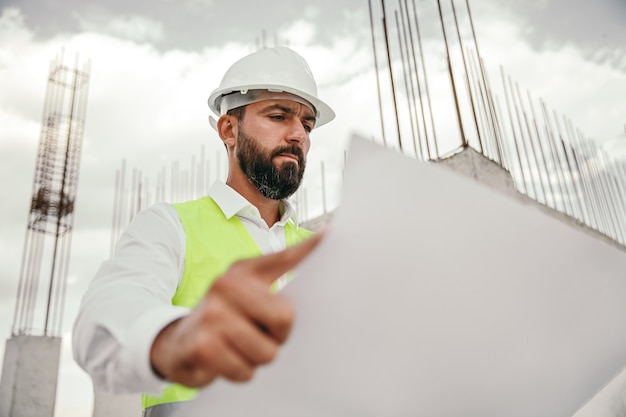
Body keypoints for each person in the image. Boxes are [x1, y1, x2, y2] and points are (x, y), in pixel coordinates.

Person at [72, 46, 335, 416]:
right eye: (279, 116)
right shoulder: (170, 226)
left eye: (307, 125)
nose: (299, 135)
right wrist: (174, 340)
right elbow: (106, 317)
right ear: (229, 128)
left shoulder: (324, 254)